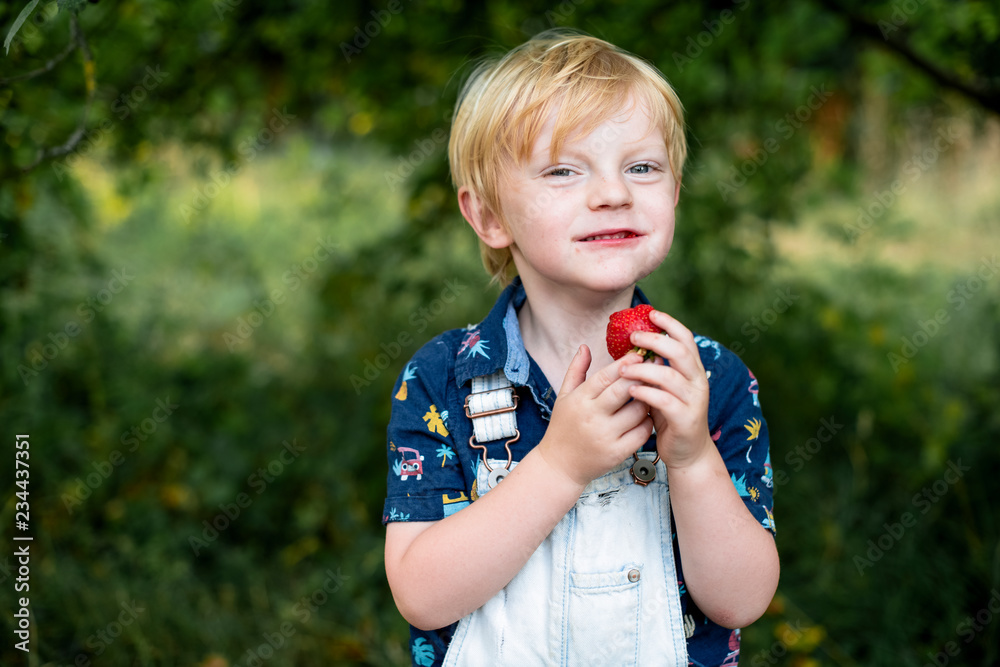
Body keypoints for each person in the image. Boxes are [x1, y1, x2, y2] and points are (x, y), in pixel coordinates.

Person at [383, 30, 778, 667]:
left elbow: (741, 601)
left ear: (674, 192)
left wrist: (694, 457)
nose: (613, 193)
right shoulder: (442, 380)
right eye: (564, 171)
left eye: (642, 167)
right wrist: (559, 466)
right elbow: (424, 597)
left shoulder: (709, 377)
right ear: (489, 217)